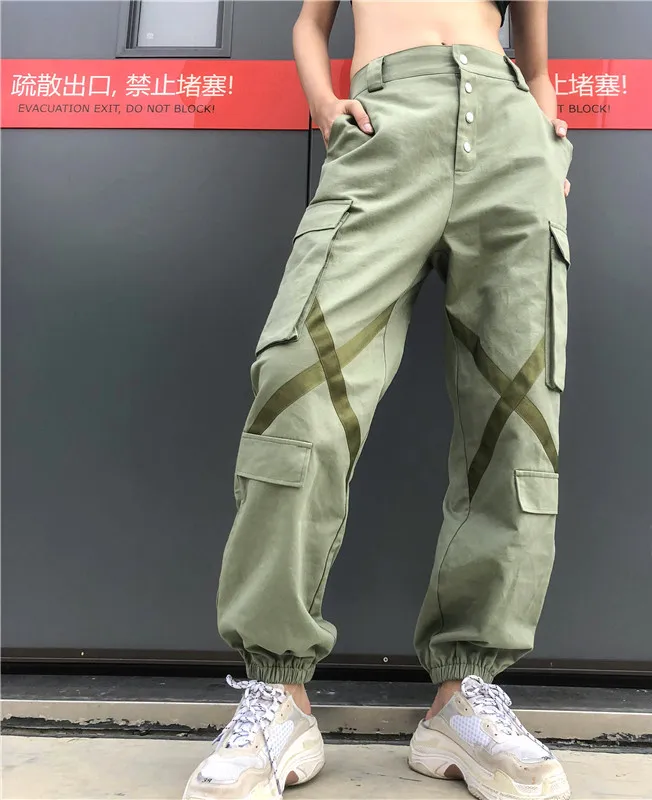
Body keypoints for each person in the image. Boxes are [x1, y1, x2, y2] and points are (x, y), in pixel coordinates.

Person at [183, 1, 573, 798]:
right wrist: (324, 106)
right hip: (386, 130)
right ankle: (278, 693)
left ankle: (464, 695)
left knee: (518, 418)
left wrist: (546, 142)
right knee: (297, 388)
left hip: (511, 144)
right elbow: (308, 24)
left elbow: (535, 65)